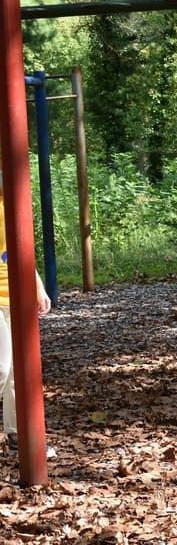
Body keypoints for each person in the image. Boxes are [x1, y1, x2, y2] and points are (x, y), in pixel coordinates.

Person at [0, 173, 54, 457]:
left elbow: (18, 250)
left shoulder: (14, 202)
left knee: (17, 375)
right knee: (2, 367)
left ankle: (18, 436)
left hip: (16, 296)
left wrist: (38, 285)